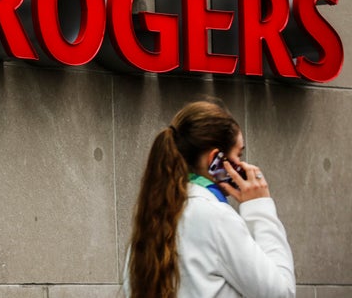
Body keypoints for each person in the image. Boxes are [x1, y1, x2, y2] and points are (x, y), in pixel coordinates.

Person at [123, 99, 295, 298]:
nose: (243, 165)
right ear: (215, 160)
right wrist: (260, 207)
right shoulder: (216, 217)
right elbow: (282, 293)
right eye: (239, 154)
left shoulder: (154, 218)